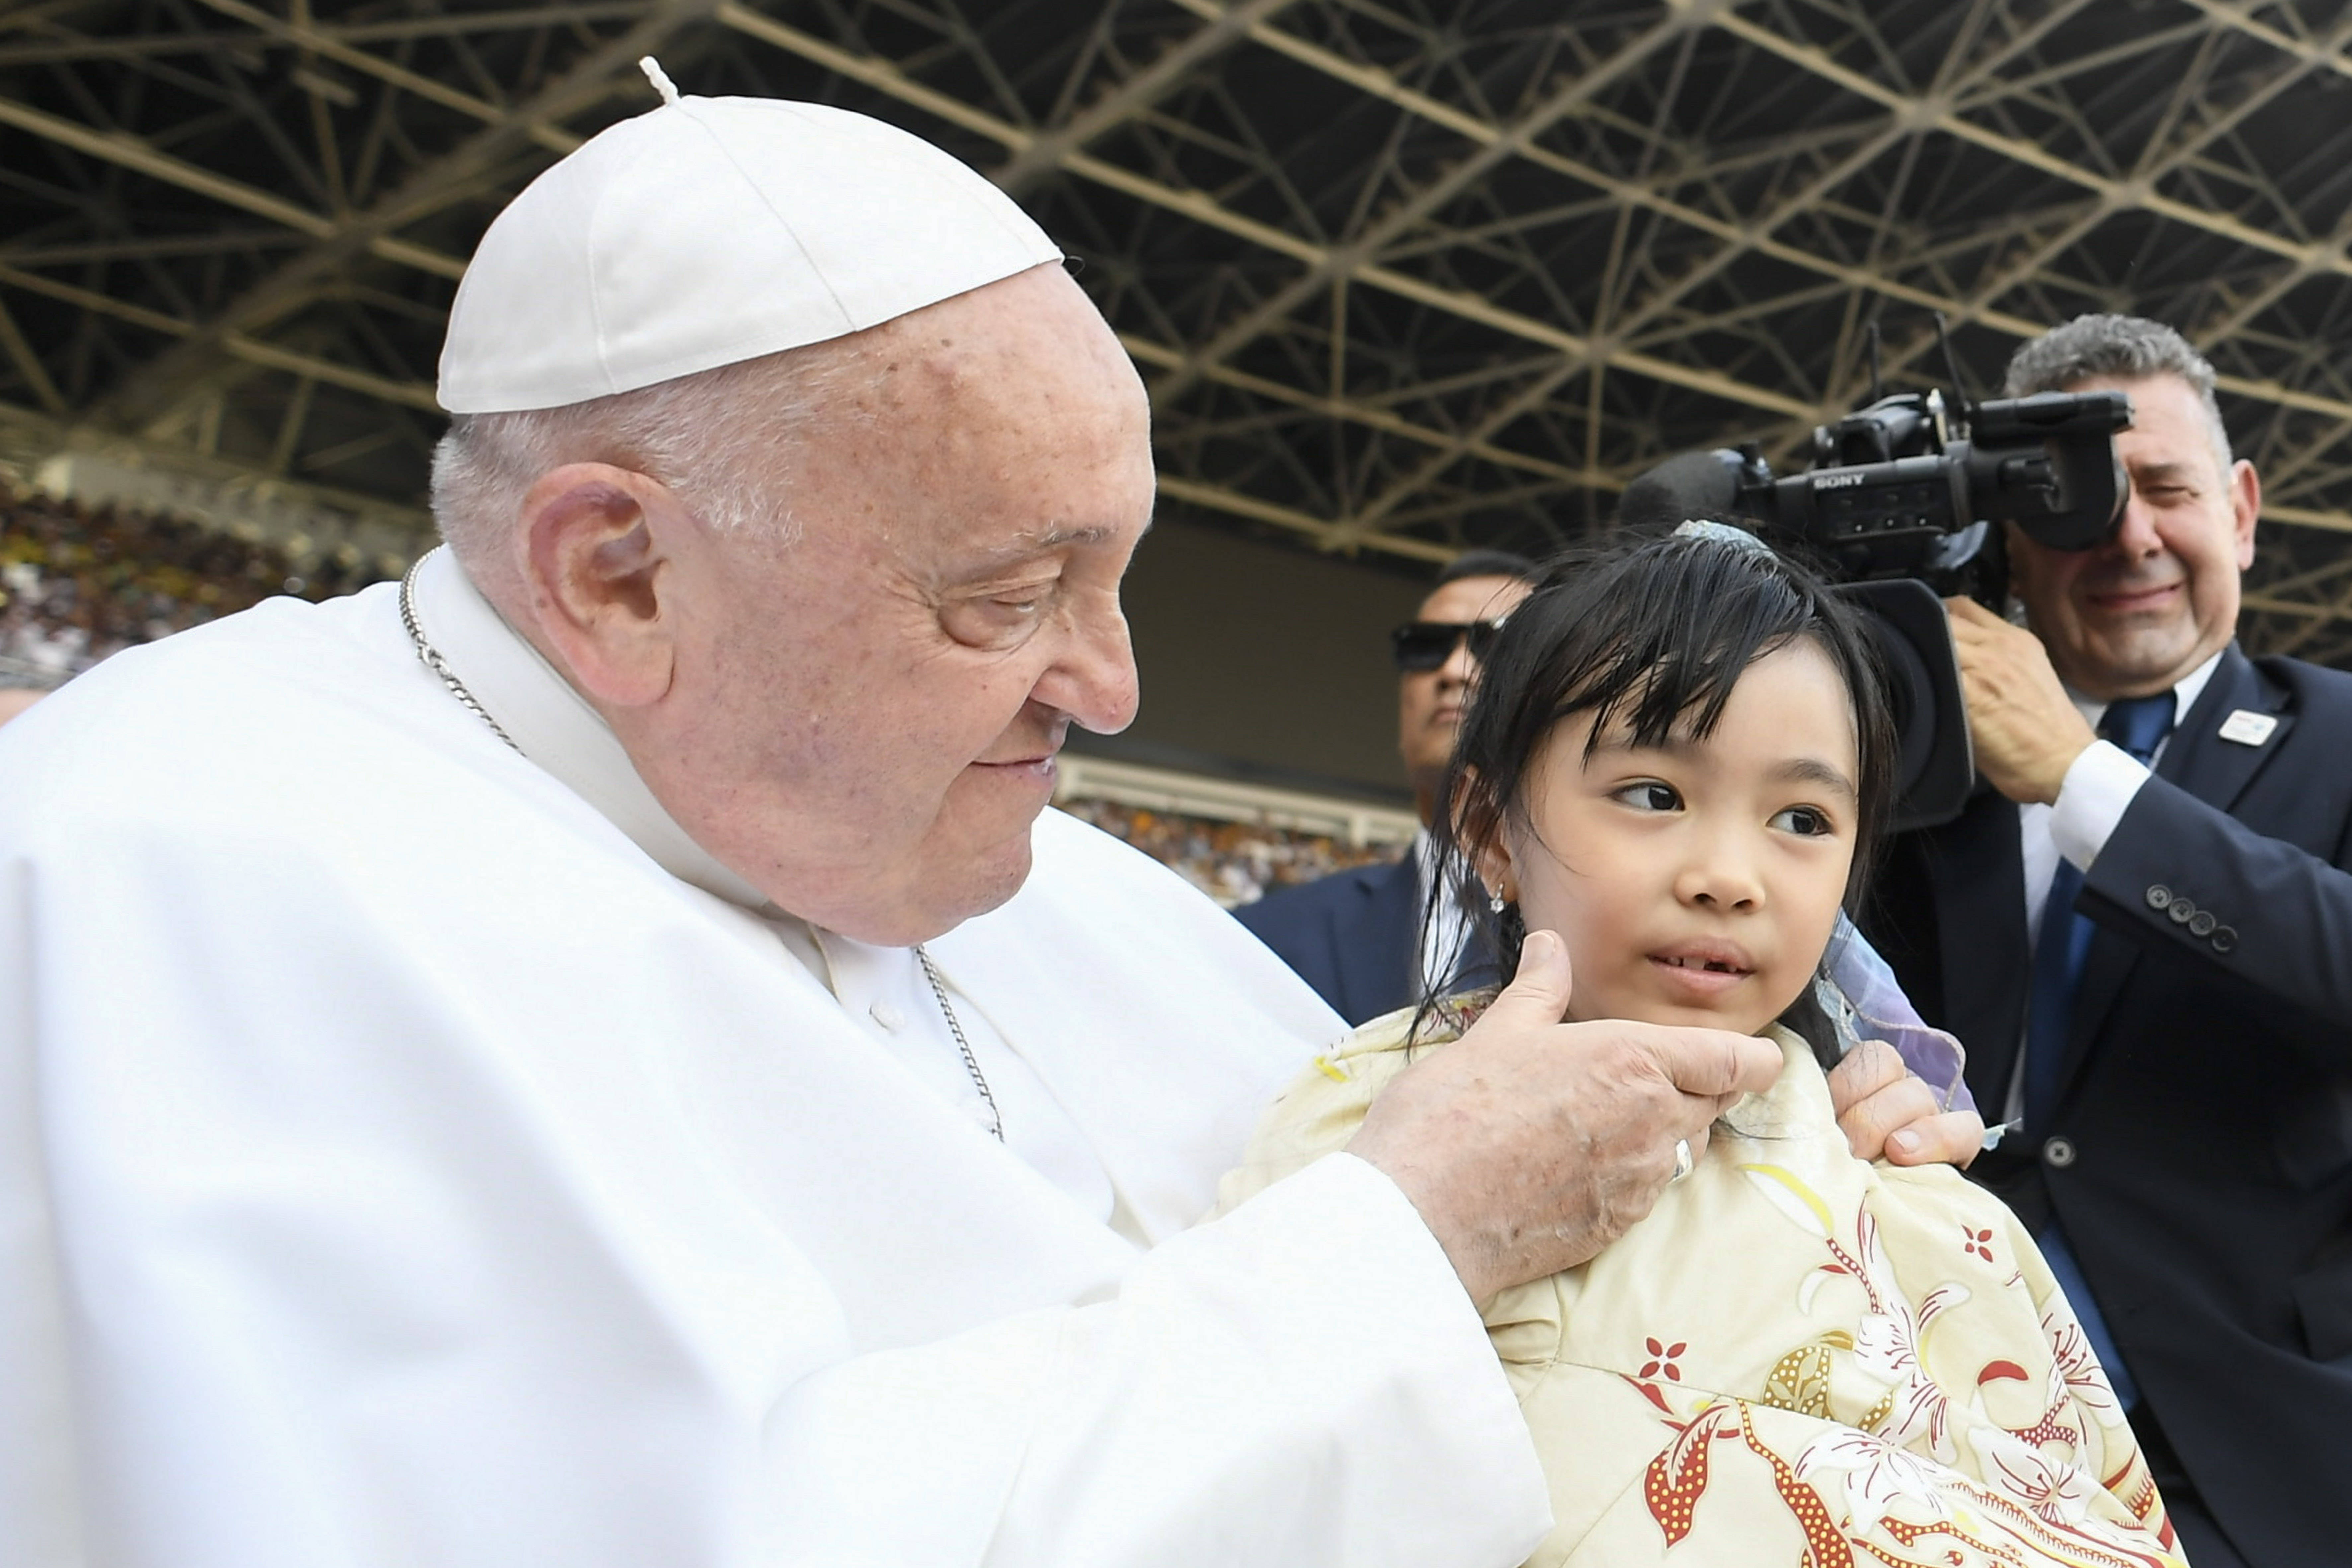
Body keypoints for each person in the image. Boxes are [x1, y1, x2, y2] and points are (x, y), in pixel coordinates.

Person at [0, 77, 1981, 1568]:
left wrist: (1786, 1151)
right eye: (1002, 596)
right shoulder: (155, 886)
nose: (1107, 687)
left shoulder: (1022, 870)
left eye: (1111, 576)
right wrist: (1404, 1238)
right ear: (614, 576)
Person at [1218, 526, 2173, 1567]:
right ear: (1491, 830)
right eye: (1655, 795)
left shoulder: (1916, 1190)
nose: (1731, 873)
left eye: (1802, 817)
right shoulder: (1367, 1116)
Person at [1861, 313, 2352, 1568]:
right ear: (2011, 541)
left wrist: (2080, 779)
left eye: (2169, 491)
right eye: (2081, 500)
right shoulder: (1916, 777)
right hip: (1934, 1424)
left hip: (2254, 1449)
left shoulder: (2338, 736)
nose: (2130, 535)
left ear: (2239, 510)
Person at [1235, 549, 1534, 1023]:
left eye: (1495, 642)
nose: (1454, 670)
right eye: (1425, 647)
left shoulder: (1633, 937)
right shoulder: (1262, 939)